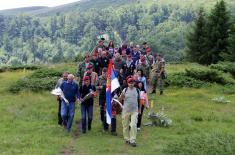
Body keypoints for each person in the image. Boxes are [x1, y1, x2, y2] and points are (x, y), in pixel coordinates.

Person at [119, 77, 140, 147]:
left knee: (133, 125)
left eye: (132, 83)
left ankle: (133, 140)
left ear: (134, 83)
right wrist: (121, 96)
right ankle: (127, 139)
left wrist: (139, 109)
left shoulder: (137, 90)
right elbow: (120, 99)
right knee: (125, 125)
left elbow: (139, 100)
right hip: (126, 110)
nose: (131, 84)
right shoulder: (125, 90)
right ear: (127, 83)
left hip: (134, 111)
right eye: (129, 83)